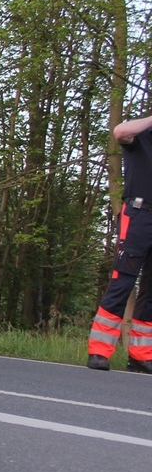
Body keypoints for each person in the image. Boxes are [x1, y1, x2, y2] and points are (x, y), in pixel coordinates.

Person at [86, 114, 152, 374]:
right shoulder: (141, 134)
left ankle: (141, 355)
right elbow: (120, 132)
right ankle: (100, 351)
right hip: (139, 213)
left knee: (151, 290)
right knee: (122, 279)